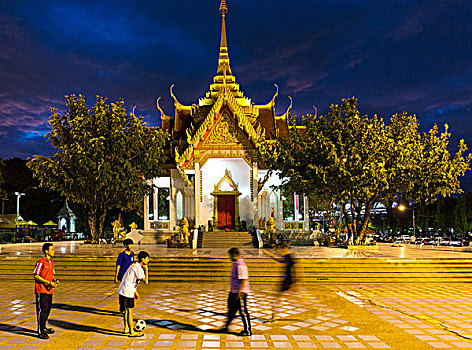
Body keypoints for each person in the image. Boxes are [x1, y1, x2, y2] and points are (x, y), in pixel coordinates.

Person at [220, 247, 252, 336]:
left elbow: (243, 279)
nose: (229, 257)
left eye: (230, 255)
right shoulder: (235, 264)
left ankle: (247, 330)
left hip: (240, 293)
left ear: (234, 255)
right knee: (231, 310)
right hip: (234, 291)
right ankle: (226, 327)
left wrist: (240, 292)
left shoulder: (240, 265)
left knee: (243, 311)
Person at [262, 241, 297, 322]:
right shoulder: (287, 256)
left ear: (283, 249)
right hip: (287, 280)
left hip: (288, 281)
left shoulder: (289, 256)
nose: (278, 251)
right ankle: (273, 316)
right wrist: (267, 254)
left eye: (279, 249)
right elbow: (278, 259)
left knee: (277, 298)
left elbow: (298, 268)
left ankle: (273, 317)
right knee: (279, 298)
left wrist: (297, 282)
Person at [117, 250, 150, 337]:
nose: (148, 261)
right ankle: (131, 331)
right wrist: (146, 270)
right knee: (129, 311)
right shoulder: (138, 267)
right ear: (142, 259)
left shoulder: (134, 266)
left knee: (126, 311)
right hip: (127, 291)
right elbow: (145, 281)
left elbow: (131, 280)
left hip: (125, 290)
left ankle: (127, 328)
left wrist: (135, 292)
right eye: (147, 259)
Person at [33, 243, 59, 339]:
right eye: (52, 249)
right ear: (46, 251)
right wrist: (48, 283)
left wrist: (54, 280)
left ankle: (44, 327)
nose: (54, 251)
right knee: (42, 310)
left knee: (48, 309)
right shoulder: (41, 262)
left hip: (49, 290)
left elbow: (52, 274)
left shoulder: (51, 262)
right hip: (41, 290)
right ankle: (40, 331)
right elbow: (36, 276)